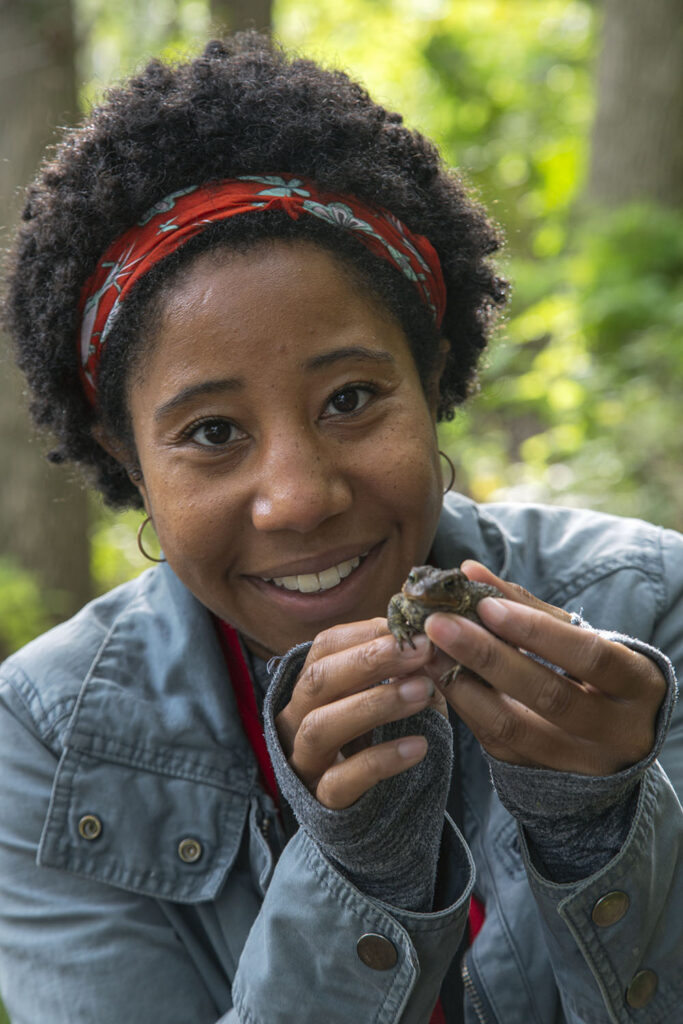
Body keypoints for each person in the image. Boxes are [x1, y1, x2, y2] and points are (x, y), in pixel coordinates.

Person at [0, 33, 681, 1024]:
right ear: (125, 454)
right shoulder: (45, 743)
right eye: (213, 431)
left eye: (352, 397)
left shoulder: (648, 609)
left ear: (432, 379)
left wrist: (596, 830)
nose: (298, 497)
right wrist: (361, 877)